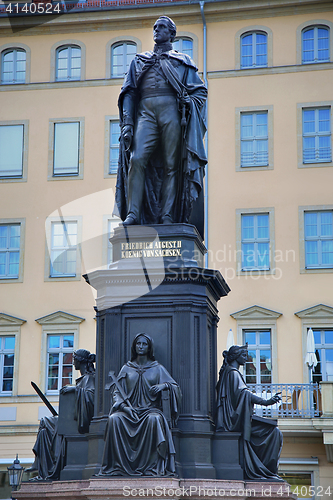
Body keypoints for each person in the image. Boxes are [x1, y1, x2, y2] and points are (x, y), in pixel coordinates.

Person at [114, 16, 207, 234]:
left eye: (162, 27)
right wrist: (127, 123)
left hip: (171, 113)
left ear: (172, 34)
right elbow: (128, 92)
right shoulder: (139, 61)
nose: (156, 29)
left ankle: (167, 215)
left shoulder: (182, 61)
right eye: (155, 27)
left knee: (171, 165)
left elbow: (200, 91)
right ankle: (133, 214)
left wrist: (189, 103)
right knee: (137, 159)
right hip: (146, 112)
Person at [99, 333, 181, 476]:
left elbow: (175, 388)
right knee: (114, 419)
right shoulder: (126, 368)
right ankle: (116, 465)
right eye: (138, 344)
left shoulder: (158, 368)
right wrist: (125, 408)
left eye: (144, 344)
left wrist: (165, 386)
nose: (141, 347)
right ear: (134, 346)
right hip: (129, 411)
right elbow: (117, 393)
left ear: (149, 348)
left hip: (150, 410)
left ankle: (152, 466)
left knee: (154, 419)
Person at [215, 344, 283, 481]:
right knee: (274, 432)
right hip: (234, 421)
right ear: (236, 356)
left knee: (274, 432)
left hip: (235, 418)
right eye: (244, 356)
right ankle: (263, 471)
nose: (246, 359)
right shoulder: (233, 373)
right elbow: (244, 394)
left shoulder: (229, 372)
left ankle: (264, 470)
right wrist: (266, 402)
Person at [28, 349, 95, 480]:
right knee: (45, 422)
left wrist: (75, 389)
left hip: (81, 421)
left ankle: (44, 468)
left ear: (80, 361)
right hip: (74, 418)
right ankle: (40, 466)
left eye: (74, 358)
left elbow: (91, 398)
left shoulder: (90, 378)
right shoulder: (83, 378)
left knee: (46, 422)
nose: (73, 361)